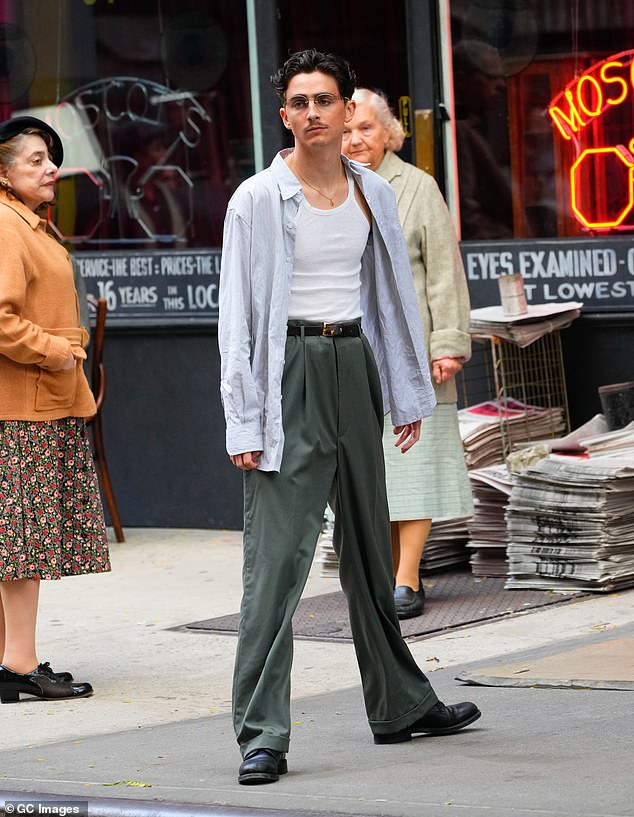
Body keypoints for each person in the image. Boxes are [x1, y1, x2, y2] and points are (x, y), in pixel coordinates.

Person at [218, 49, 481, 786]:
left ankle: (399, 702)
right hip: (288, 373)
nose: (312, 113)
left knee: (371, 549)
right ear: (284, 115)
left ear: (345, 110)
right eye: (298, 102)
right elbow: (236, 314)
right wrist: (244, 419)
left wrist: (403, 390)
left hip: (353, 367)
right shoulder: (259, 199)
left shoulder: (375, 192)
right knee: (277, 565)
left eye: (324, 100)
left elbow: (391, 291)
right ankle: (262, 733)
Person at [342, 89, 473, 620]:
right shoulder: (330, 188)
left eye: (366, 129)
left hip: (415, 350)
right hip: (354, 349)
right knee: (374, 470)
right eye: (348, 130)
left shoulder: (418, 187)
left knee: (413, 466)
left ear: (390, 134)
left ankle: (407, 578)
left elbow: (443, 272)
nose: (355, 140)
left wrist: (447, 344)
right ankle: (388, 573)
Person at [0, 116, 111, 704]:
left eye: (52, 158)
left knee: (15, 543)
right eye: (36, 159)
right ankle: (19, 665)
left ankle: (8, 660)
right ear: (3, 171)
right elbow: (1, 317)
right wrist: (61, 354)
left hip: (33, 403)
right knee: (22, 545)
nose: (51, 169)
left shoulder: (26, 222)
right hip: (24, 406)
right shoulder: (5, 223)